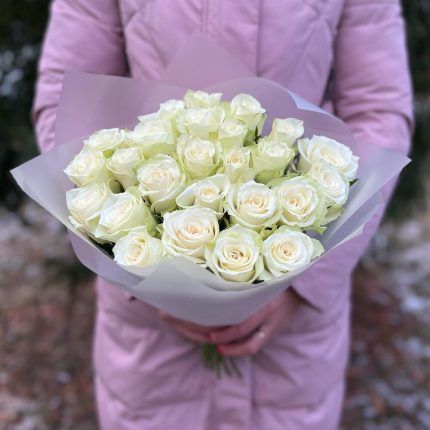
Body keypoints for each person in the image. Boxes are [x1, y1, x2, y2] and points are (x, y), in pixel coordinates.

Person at [33, 1, 413, 429]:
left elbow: (378, 111)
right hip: (150, 335)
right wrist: (147, 273)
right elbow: (65, 107)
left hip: (292, 334)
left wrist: (303, 283)